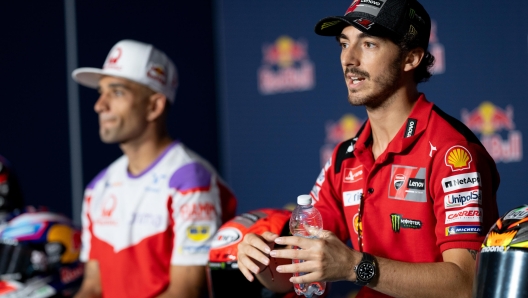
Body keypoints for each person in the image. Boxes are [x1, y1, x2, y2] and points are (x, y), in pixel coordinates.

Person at [237, 1, 500, 297]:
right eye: (344, 43)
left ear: (411, 58)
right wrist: (262, 262)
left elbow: (466, 284)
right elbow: (289, 277)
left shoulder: (452, 151)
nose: (349, 59)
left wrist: (355, 266)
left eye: (369, 44)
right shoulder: (343, 159)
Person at [71, 40, 237, 298]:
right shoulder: (98, 187)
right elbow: (93, 287)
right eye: (100, 93)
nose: (100, 105)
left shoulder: (190, 179)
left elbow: (186, 292)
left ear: (154, 106)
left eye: (116, 92)